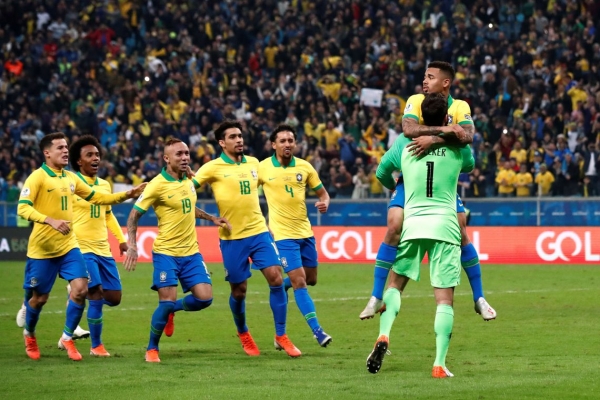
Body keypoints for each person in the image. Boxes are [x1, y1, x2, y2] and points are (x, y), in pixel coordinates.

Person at [360, 61, 496, 322]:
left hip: (441, 181)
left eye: (431, 77)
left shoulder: (460, 106)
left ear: (446, 82)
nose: (424, 81)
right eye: (424, 76)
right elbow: (409, 130)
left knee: (462, 230)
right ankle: (376, 296)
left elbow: (468, 135)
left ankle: (479, 297)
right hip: (411, 181)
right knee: (393, 225)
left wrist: (433, 139)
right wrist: (445, 131)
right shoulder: (415, 100)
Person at [366, 93, 475, 378]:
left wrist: (396, 186)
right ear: (446, 118)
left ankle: (384, 334)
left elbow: (381, 172)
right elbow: (470, 162)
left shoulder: (403, 145)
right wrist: (449, 133)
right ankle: (438, 363)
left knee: (395, 284)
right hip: (445, 227)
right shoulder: (458, 149)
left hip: (412, 224)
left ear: (420, 118)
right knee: (444, 300)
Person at [16, 132, 146, 361]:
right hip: (43, 249)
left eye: (66, 147)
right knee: (40, 299)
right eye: (60, 148)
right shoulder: (37, 178)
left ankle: (67, 337)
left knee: (82, 289)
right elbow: (23, 208)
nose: (65, 151)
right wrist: (50, 220)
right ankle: (30, 333)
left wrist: (129, 194)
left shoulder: (70, 178)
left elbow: (98, 198)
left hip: (70, 247)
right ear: (47, 153)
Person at [193, 120, 301, 357]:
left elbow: (273, 181)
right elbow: (184, 194)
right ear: (222, 143)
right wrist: (210, 217)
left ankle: (281, 335)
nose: (239, 140)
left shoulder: (254, 163)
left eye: (240, 136)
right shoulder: (211, 168)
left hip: (259, 233)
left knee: (275, 277)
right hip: (232, 238)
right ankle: (243, 333)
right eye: (233, 137)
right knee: (239, 290)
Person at [124, 138, 230, 363]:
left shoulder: (189, 180)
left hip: (191, 253)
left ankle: (174, 310)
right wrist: (132, 244)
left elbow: (189, 206)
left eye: (187, 154)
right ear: (166, 158)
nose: (184, 158)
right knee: (166, 301)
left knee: (205, 299)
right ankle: (152, 349)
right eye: (179, 154)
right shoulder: (156, 185)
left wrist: (211, 217)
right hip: (166, 253)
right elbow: (134, 215)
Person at [258, 124, 332, 347]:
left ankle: (281, 287)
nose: (287, 144)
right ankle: (317, 331)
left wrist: (325, 203)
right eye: (282, 141)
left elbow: (323, 193)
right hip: (282, 235)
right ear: (274, 145)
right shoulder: (262, 168)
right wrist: (261, 222)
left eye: (291, 140)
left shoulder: (305, 167)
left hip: (305, 232)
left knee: (311, 279)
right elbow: (246, 193)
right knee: (301, 283)